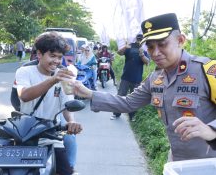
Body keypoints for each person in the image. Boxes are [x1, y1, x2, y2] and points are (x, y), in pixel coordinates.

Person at [70, 13, 216, 161]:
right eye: (151, 47)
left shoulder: (207, 71)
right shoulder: (156, 78)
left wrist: (211, 130)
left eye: (162, 44)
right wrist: (89, 93)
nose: (155, 53)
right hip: (177, 162)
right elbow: (128, 103)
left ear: (180, 40)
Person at [15, 31, 82, 175]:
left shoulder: (64, 76)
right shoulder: (24, 72)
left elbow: (67, 104)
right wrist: (53, 80)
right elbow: (24, 95)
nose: (57, 61)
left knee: (67, 172)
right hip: (26, 135)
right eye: (52, 56)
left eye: (59, 57)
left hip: (51, 135)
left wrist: (71, 121)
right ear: (39, 54)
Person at [110, 34, 150, 120]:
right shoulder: (129, 46)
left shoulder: (144, 49)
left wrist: (142, 54)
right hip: (126, 77)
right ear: (136, 39)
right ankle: (116, 114)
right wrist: (125, 47)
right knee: (120, 96)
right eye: (138, 39)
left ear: (143, 40)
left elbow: (147, 62)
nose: (139, 40)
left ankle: (132, 116)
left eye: (141, 39)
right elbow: (119, 53)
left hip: (137, 79)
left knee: (134, 99)